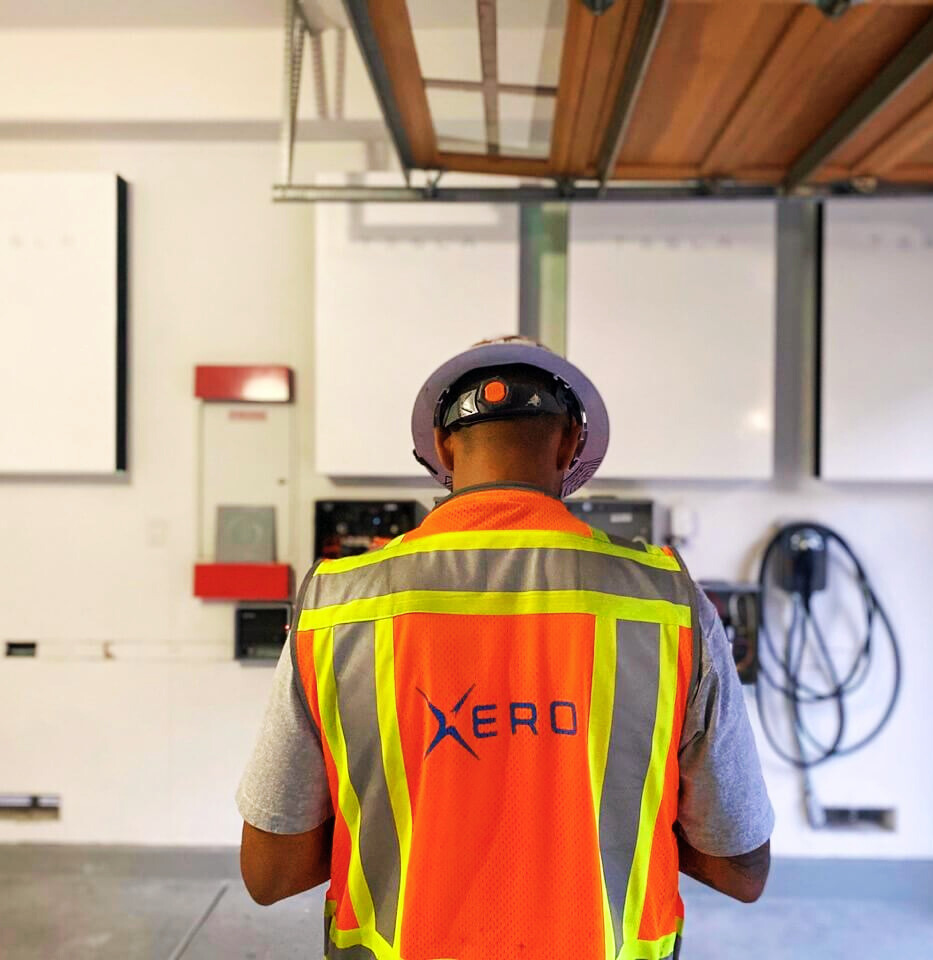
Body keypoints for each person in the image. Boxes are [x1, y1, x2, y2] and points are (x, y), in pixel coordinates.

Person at [237, 337, 774, 960]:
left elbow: (269, 873)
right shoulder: (666, 602)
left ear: (442, 447)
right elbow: (742, 869)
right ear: (571, 444)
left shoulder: (336, 602)